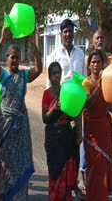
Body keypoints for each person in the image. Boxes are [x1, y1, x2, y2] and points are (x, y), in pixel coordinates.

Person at [0, 26, 42, 200]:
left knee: (20, 164)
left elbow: (39, 69)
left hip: (21, 128)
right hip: (6, 128)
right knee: (7, 163)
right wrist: (1, 40)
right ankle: (6, 194)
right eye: (12, 57)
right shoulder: (3, 76)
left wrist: (35, 47)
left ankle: (19, 196)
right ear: (7, 58)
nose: (14, 61)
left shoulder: (23, 76)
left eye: (17, 58)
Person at [46, 19, 87, 199]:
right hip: (60, 108)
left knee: (76, 143)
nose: (68, 35)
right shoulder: (53, 55)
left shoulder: (80, 54)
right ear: (60, 34)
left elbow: (85, 81)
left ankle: (76, 183)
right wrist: (53, 107)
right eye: (65, 32)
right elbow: (50, 85)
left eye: (70, 31)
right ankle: (61, 183)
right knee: (61, 145)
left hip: (76, 109)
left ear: (73, 33)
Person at [82, 49, 112, 201]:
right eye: (93, 62)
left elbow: (110, 108)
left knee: (103, 168)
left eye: (98, 62)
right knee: (93, 167)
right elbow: (88, 104)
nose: (96, 65)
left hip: (104, 131)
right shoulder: (86, 83)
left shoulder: (108, 82)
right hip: (91, 133)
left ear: (103, 64)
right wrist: (101, 84)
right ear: (89, 65)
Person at [42, 62, 77, 201]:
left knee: (66, 171)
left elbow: (72, 115)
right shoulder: (46, 94)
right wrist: (54, 108)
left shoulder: (66, 91)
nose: (57, 76)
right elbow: (45, 118)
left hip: (66, 137)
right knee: (55, 171)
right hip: (53, 137)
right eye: (54, 73)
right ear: (50, 76)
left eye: (59, 73)